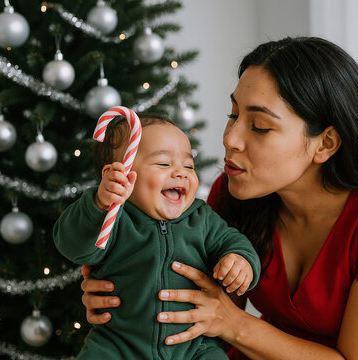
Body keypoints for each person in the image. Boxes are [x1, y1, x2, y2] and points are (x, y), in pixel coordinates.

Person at [79, 37, 358, 359]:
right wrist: (125, 294)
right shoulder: (232, 194)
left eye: (260, 126)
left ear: (325, 143)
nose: (230, 139)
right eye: (233, 115)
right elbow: (191, 294)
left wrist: (232, 323)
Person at [53, 115, 261, 359]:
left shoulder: (201, 218)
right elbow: (72, 244)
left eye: (189, 166)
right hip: (118, 344)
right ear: (119, 175)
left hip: (193, 347)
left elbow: (231, 240)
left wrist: (239, 258)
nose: (181, 173)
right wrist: (98, 204)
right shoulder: (112, 218)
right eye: (164, 164)